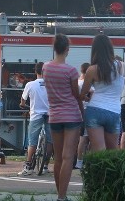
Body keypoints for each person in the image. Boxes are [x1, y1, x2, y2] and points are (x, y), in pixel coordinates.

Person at [42, 34, 83, 201]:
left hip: (54, 116)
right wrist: (82, 111)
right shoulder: (71, 71)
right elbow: (75, 94)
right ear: (67, 49)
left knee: (58, 157)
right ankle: (62, 196)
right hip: (72, 116)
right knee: (68, 157)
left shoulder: (46, 68)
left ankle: (61, 195)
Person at [80, 34, 124, 152]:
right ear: (110, 48)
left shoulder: (92, 69)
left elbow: (82, 94)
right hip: (114, 111)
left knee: (99, 150)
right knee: (112, 150)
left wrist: (87, 96)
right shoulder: (120, 66)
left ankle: (95, 170)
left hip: (95, 109)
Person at [18, 61, 52, 175]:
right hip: (50, 115)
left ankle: (28, 167)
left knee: (32, 142)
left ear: (35, 71)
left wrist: (23, 104)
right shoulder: (51, 84)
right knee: (50, 141)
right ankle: (46, 166)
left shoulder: (30, 84)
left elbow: (23, 100)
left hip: (36, 115)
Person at [74, 62, 90, 168]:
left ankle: (77, 161)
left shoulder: (76, 83)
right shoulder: (88, 84)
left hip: (76, 112)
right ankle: (81, 162)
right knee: (85, 138)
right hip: (86, 111)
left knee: (79, 138)